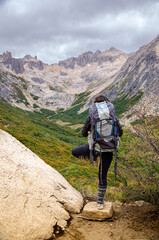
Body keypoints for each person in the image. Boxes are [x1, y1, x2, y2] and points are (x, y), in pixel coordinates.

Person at [72, 94, 123, 210]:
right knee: (102, 175)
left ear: (95, 104)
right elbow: (120, 132)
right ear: (108, 103)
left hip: (95, 148)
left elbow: (84, 133)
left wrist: (91, 130)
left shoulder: (92, 115)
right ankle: (100, 202)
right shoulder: (113, 116)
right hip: (108, 150)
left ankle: (95, 156)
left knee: (75, 152)